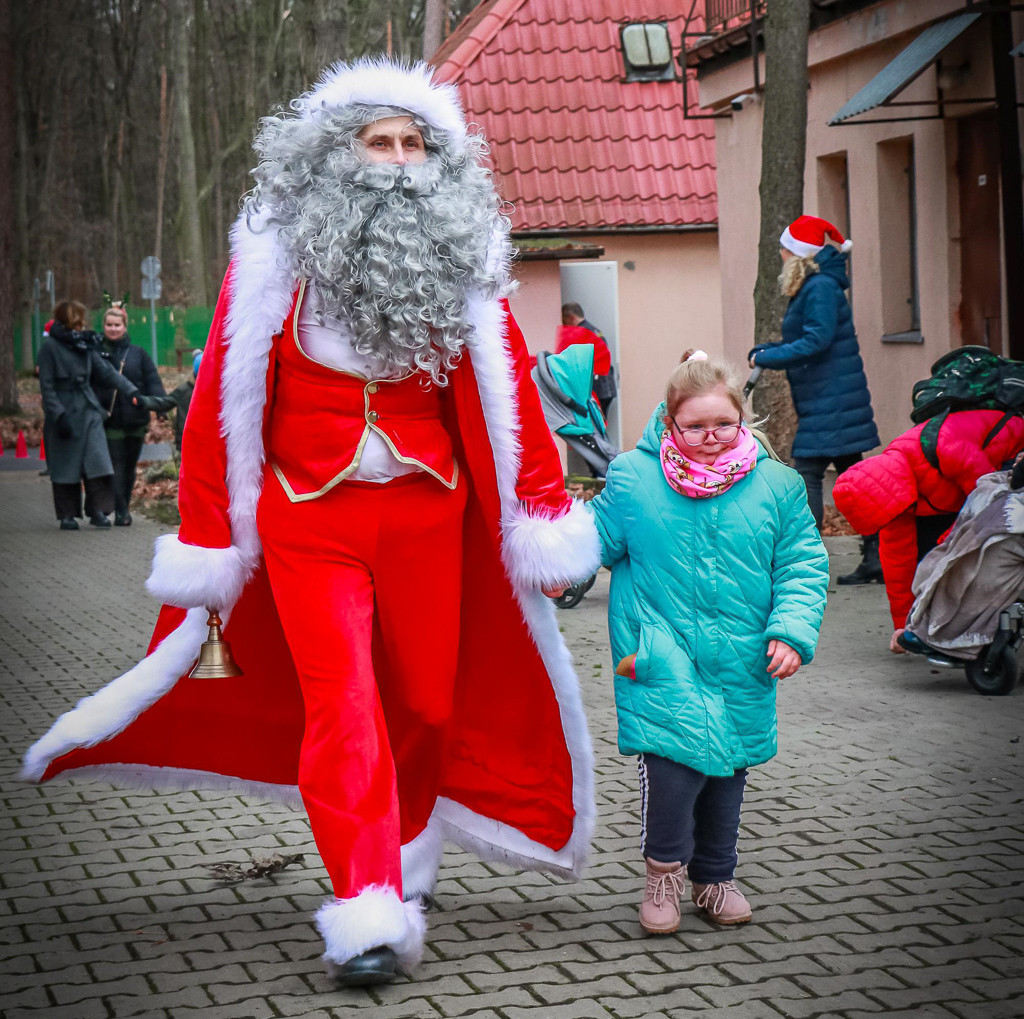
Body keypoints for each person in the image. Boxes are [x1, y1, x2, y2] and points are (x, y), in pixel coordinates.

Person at [22, 59, 601, 987]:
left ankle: (406, 857)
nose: (400, 161)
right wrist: (210, 532)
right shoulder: (270, 262)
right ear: (339, 154)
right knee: (344, 705)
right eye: (381, 142)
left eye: (416, 145)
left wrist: (544, 516)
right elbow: (221, 396)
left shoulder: (462, 268)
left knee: (425, 701)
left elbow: (508, 404)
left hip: (425, 514)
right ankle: (366, 903)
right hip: (307, 518)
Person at [587, 352, 828, 935]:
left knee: (727, 773)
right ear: (670, 424)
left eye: (722, 423)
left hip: (743, 660)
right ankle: (663, 876)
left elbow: (802, 566)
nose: (711, 437)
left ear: (740, 419)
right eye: (695, 427)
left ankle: (714, 878)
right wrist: (551, 564)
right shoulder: (632, 479)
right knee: (673, 773)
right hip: (661, 656)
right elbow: (588, 543)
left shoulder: (778, 486)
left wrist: (792, 632)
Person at [748, 215, 880, 584]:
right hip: (830, 397)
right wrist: (767, 350)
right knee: (853, 477)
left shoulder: (819, 287)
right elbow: (808, 337)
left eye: (784, 249)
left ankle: (805, 560)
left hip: (832, 399)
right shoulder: (816, 286)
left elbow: (817, 341)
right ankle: (877, 554)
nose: (780, 254)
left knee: (807, 471)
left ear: (798, 254)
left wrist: (769, 357)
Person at [831, 409, 1024, 654]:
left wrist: (948, 548)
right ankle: (932, 628)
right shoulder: (895, 500)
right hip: (966, 492)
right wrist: (902, 627)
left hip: (1011, 456)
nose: (895, 519)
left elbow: (986, 501)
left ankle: (965, 627)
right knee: (932, 561)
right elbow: (897, 565)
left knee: (974, 553)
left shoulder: (946, 448)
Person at [37, 301, 155, 529]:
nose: (82, 326)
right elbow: (47, 386)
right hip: (64, 412)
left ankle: (98, 509)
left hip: (89, 410)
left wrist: (132, 391)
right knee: (66, 468)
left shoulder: (85, 345)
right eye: (78, 322)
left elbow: (108, 373)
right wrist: (58, 415)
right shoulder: (50, 348)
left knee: (98, 463)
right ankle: (67, 514)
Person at [90, 305, 169, 526]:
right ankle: (122, 510)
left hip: (136, 420)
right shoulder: (96, 353)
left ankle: (123, 502)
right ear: (103, 326)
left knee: (129, 467)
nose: (113, 329)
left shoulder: (137, 353)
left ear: (124, 327)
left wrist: (160, 407)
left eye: (117, 325)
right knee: (116, 465)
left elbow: (152, 381)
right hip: (109, 419)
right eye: (109, 325)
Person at [560, 302, 616, 417]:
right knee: (600, 421)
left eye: (565, 322)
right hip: (607, 385)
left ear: (571, 317)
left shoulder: (580, 333)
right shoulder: (594, 330)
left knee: (594, 423)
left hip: (597, 386)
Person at [167, 349, 202, 459]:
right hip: (187, 444)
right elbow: (164, 402)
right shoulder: (185, 391)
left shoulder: (218, 393)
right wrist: (142, 401)